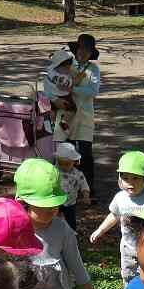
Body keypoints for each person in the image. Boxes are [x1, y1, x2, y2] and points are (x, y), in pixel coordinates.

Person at [14, 158, 99, 289]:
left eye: (55, 204)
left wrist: (86, 285)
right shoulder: (13, 229)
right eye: (44, 205)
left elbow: (74, 259)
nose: (52, 209)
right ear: (22, 202)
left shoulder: (61, 228)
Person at [90, 151, 144, 285]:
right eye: (126, 178)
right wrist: (100, 230)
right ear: (120, 179)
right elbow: (114, 215)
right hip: (128, 248)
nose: (130, 183)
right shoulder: (120, 198)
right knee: (128, 275)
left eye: (135, 178)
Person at [56, 34, 101, 201]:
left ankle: (88, 190)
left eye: (87, 51)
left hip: (84, 116)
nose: (83, 53)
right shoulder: (67, 66)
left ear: (91, 53)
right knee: (64, 152)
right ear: (76, 50)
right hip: (66, 115)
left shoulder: (93, 69)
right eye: (81, 49)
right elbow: (56, 84)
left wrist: (72, 89)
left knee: (85, 154)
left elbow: (93, 91)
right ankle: (61, 187)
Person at [55, 142, 90, 232]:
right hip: (56, 201)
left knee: (70, 220)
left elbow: (83, 184)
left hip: (70, 202)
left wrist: (86, 195)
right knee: (54, 218)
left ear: (74, 162)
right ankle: (55, 232)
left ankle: (72, 234)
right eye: (60, 163)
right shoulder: (54, 171)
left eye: (67, 164)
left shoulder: (77, 174)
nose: (63, 166)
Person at [43, 50, 78, 137]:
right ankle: (60, 122)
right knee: (72, 109)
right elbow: (69, 85)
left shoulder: (51, 72)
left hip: (54, 96)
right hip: (61, 96)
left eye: (69, 67)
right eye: (65, 68)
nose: (68, 69)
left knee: (54, 110)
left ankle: (55, 123)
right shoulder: (60, 77)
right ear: (57, 67)